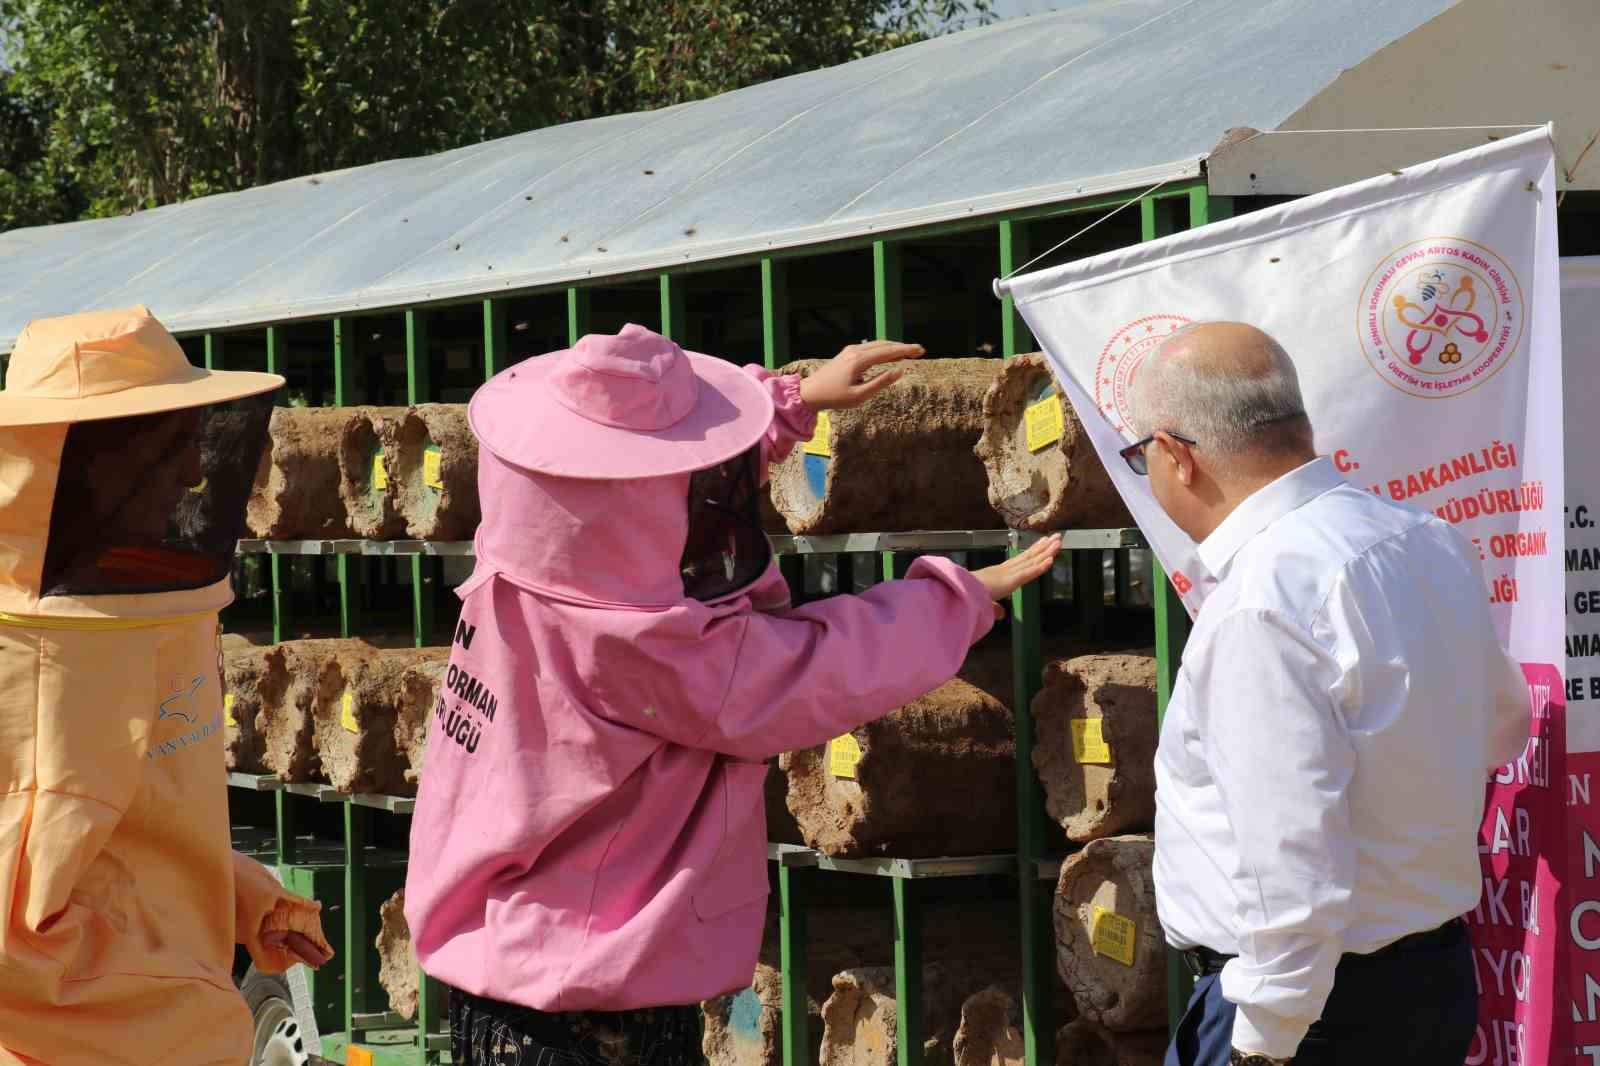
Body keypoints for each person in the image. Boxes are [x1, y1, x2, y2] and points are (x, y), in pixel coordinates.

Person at [405, 323, 1060, 1066]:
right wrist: (956, 597)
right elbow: (818, 668)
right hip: (589, 1005)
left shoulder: (513, 564)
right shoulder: (647, 650)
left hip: (509, 974)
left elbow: (632, 492)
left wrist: (789, 402)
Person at [1119, 321, 1530, 1066]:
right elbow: (1503, 723)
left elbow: (1290, 858)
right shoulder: (1424, 537)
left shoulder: (1263, 600)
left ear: (1176, 456)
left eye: (1139, 452)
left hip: (1307, 1016)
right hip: (1426, 979)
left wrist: (1261, 1044)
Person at [0, 307, 333, 1066]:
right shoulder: (37, 665)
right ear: (93, 456)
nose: (194, 471)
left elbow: (125, 832)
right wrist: (180, 987)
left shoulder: (150, 608)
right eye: (168, 443)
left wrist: (236, 896)